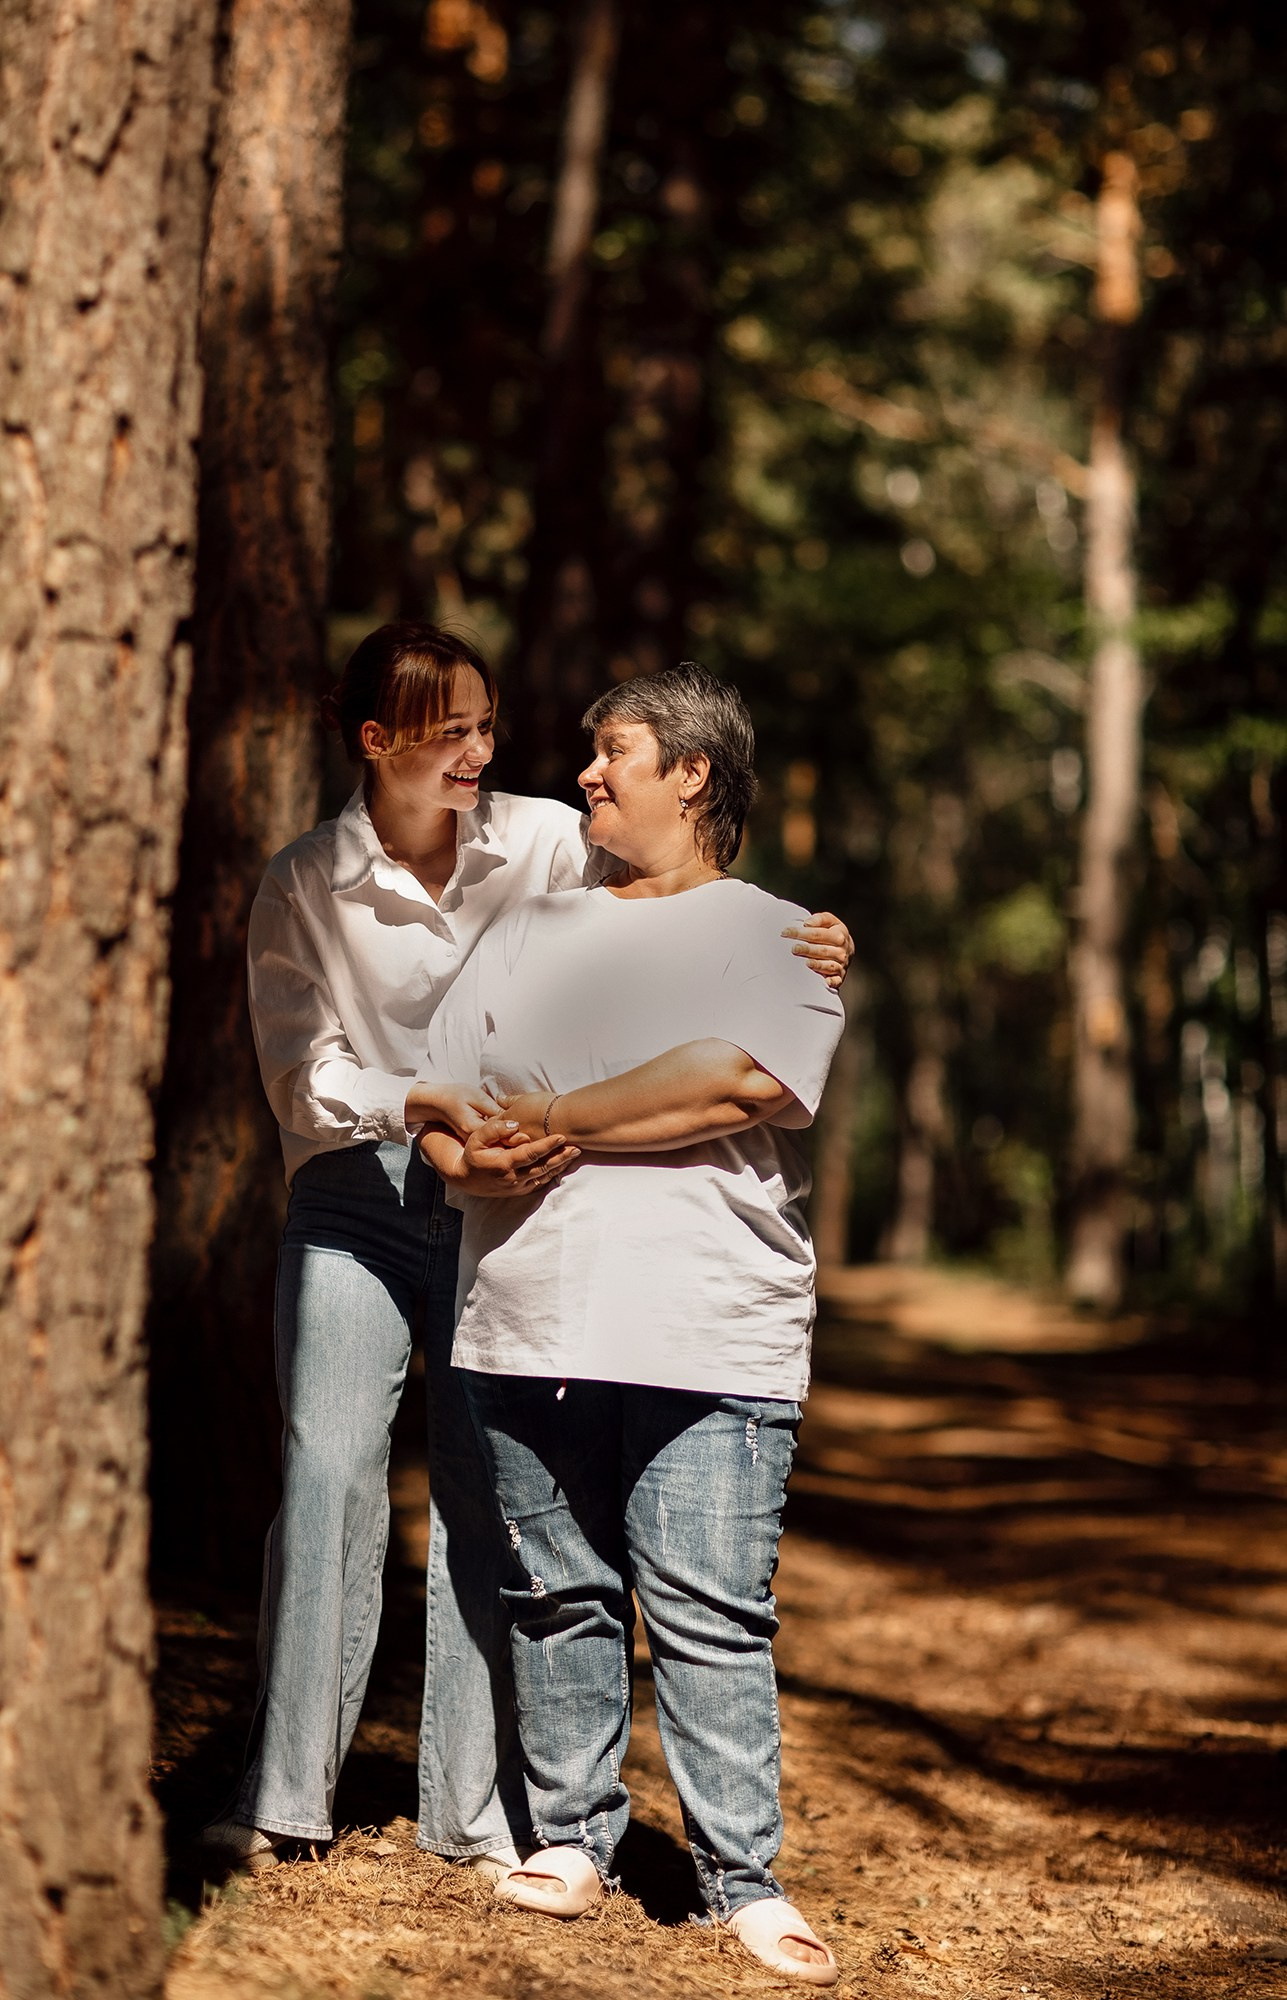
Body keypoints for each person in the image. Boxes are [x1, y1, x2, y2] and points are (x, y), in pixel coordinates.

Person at [201, 624, 852, 1875]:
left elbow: (675, 901)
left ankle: (475, 1811)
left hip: (506, 1192)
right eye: (451, 730)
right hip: (361, 1183)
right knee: (328, 1471)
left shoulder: (549, 836)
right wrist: (429, 1110)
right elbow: (305, 1072)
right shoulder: (305, 879)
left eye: (488, 725)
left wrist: (813, 939)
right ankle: (283, 1794)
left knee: (482, 1493)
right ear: (377, 741)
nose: (481, 750)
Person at [417, 663, 845, 1985]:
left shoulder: (780, 937)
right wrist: (468, 1158)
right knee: (557, 1596)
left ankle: (741, 1879)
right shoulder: (526, 926)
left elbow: (732, 1080)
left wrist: (548, 1113)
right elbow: (440, 1087)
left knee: (709, 1611)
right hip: (526, 1311)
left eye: (614, 752)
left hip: (707, 1326)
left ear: (692, 773)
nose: (585, 774)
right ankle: (573, 1838)